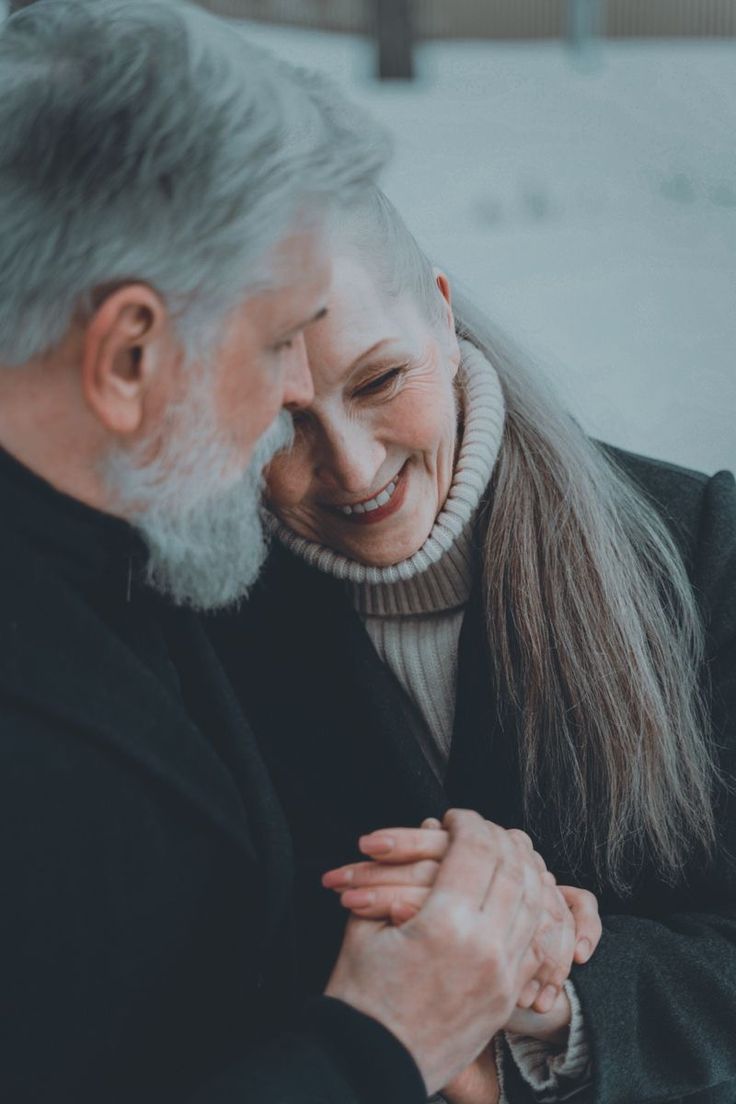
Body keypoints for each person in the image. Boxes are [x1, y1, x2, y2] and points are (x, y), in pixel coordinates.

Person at [0, 3, 586, 1101]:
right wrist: (381, 1044)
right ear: (128, 353)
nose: (288, 394)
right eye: (275, 343)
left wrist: (491, 911)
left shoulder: (136, 535)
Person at [211, 187, 736, 1104]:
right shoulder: (191, 619)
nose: (354, 467)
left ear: (444, 319)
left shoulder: (705, 547)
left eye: (378, 382)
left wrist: (557, 1001)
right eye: (280, 424)